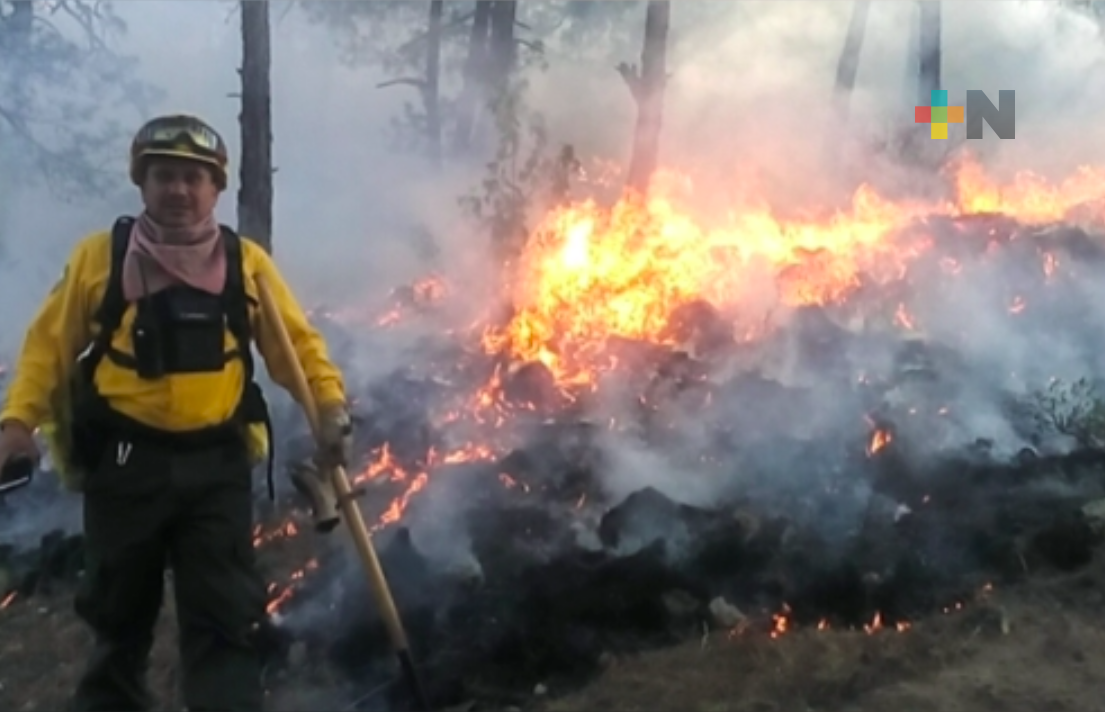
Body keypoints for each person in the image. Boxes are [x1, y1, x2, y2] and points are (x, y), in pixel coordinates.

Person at [0, 114, 352, 712]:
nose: (179, 190)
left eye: (194, 178)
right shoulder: (100, 258)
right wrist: (16, 424)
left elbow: (296, 345)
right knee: (119, 619)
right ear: (142, 183)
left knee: (224, 619)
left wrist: (328, 405)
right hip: (124, 467)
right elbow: (48, 347)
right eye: (165, 176)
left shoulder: (247, 265)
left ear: (216, 188)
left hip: (216, 469)